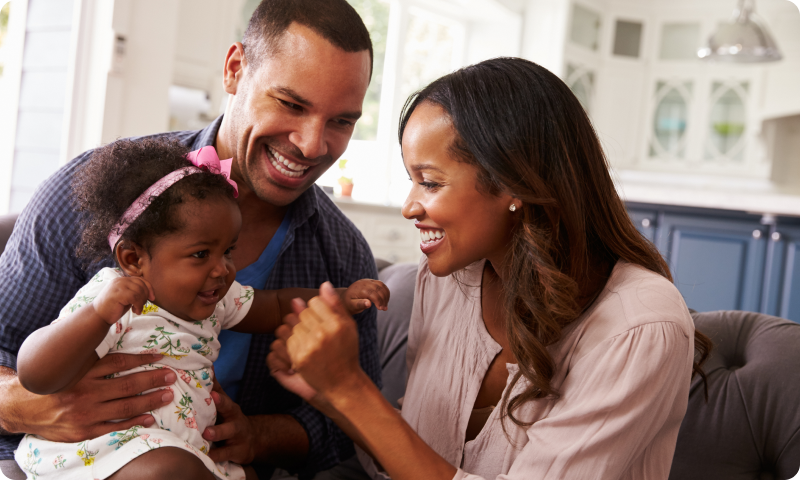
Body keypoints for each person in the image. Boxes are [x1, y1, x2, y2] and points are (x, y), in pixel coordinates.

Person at [267, 57, 713, 480]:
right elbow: (408, 457)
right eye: (411, 181)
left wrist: (351, 390)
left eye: (430, 182)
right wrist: (325, 391)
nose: (410, 207)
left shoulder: (640, 325)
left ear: (514, 182)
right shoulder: (446, 280)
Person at [0, 1, 381, 478]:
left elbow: (355, 427)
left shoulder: (342, 256)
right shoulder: (89, 200)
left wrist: (260, 436)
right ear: (235, 70)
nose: (311, 144)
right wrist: (24, 403)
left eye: (341, 121)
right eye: (291, 104)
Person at [13, 139, 388, 480]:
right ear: (133, 258)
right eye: (200, 254)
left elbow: (276, 305)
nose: (222, 269)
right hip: (109, 455)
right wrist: (96, 315)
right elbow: (34, 374)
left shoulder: (216, 300)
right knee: (169, 468)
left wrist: (338, 296)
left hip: (188, 450)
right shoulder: (112, 301)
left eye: (227, 251)